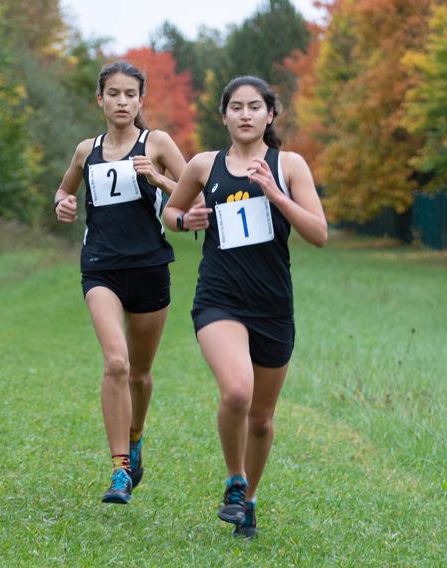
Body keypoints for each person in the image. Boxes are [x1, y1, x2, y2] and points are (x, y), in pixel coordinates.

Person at [162, 75, 327, 538]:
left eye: (255, 106)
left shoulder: (289, 164)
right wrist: (184, 218)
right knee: (238, 391)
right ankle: (235, 481)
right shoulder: (202, 165)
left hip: (272, 305)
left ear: (270, 115)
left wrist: (276, 194)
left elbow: (319, 233)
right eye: (236, 107)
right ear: (225, 115)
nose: (246, 114)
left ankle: (249, 501)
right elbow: (170, 214)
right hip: (220, 297)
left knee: (261, 419)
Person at [53, 61, 187, 504]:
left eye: (131, 94)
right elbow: (63, 191)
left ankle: (135, 438)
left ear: (140, 100)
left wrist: (159, 178)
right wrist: (64, 204)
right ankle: (119, 471)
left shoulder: (159, 143)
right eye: (114, 93)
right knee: (116, 363)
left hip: (149, 268)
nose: (122, 101)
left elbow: (199, 194)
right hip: (101, 268)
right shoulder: (85, 151)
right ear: (100, 100)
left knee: (141, 374)